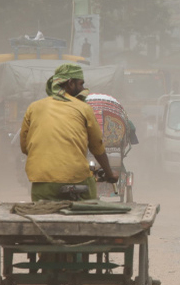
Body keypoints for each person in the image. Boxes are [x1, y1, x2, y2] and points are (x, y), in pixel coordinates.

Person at [20, 63, 119, 202]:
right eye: (81, 84)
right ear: (70, 83)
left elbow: (24, 147)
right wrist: (109, 174)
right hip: (76, 178)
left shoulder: (34, 107)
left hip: (42, 180)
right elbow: (97, 146)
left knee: (41, 211)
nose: (83, 88)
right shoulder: (84, 108)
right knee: (89, 208)